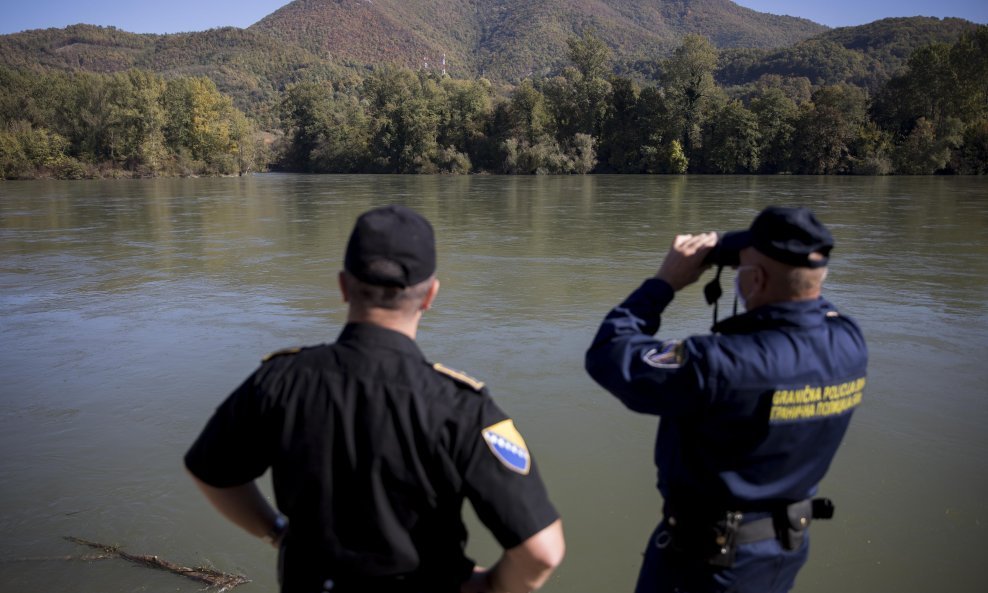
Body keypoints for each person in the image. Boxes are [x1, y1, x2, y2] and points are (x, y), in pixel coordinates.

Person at [185, 205, 564, 593]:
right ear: (430, 295)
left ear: (344, 286)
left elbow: (209, 471)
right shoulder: (463, 409)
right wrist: (489, 588)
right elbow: (542, 553)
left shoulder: (280, 381)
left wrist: (278, 533)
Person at [584, 206, 867, 593]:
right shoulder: (850, 343)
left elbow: (609, 354)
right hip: (780, 555)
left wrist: (664, 282)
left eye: (741, 269)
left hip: (704, 566)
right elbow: (802, 295)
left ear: (757, 279)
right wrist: (734, 249)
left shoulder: (720, 364)